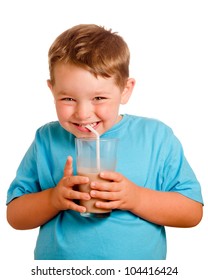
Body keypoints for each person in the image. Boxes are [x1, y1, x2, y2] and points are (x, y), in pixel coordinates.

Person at [6, 24, 203, 260]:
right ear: (52, 90)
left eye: (99, 98)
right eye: (68, 98)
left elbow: (192, 213)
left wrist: (135, 198)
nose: (83, 113)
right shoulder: (47, 139)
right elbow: (15, 217)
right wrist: (54, 198)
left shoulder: (156, 137)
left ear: (125, 90)